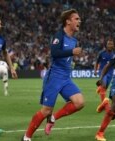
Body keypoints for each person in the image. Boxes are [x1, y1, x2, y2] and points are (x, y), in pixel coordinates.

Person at [21, 9, 84, 141]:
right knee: (45, 110)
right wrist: (72, 51)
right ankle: (26, 137)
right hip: (54, 76)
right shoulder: (59, 35)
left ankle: (53, 118)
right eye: (76, 19)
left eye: (79, 19)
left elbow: (66, 55)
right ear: (68, 21)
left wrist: (72, 54)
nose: (79, 21)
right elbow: (54, 53)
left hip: (66, 78)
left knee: (79, 102)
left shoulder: (73, 39)